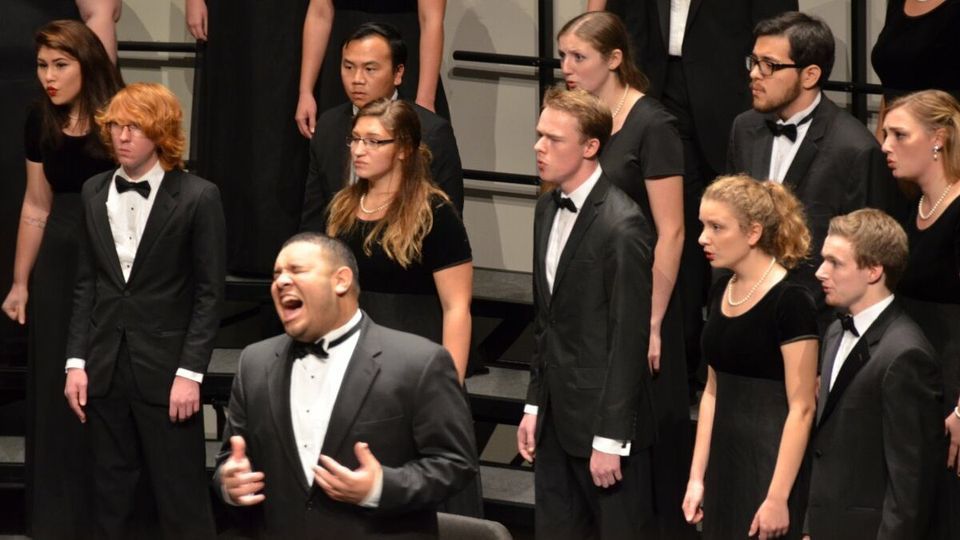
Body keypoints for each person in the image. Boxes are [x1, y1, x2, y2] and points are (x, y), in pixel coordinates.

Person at [586, 0, 798, 382]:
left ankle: (725, 356)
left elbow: (778, 20)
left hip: (730, 94)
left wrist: (758, 74)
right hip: (656, 82)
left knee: (736, 228)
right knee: (674, 226)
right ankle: (678, 360)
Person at [215, 232, 477, 539]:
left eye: (296, 270)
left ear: (341, 281)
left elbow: (456, 464)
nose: (282, 282)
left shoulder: (418, 362)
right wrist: (228, 484)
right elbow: (230, 459)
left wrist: (380, 487)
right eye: (277, 275)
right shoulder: (254, 363)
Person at [62, 82, 225, 540]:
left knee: (180, 498)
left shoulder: (198, 196)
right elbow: (86, 285)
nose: (122, 135)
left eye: (134, 126)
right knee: (111, 497)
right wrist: (76, 362)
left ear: (161, 132)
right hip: (105, 366)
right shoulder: (94, 190)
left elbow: (210, 293)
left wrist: (191, 373)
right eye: (115, 125)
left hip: (167, 370)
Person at [556, 11, 691, 538]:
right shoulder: (573, 116)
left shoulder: (652, 125)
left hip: (643, 299)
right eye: (563, 55)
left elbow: (673, 232)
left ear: (614, 60)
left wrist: (653, 321)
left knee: (645, 453)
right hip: (589, 302)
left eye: (578, 57)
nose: (566, 66)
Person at [517, 87, 656, 539]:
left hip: (601, 428)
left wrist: (611, 439)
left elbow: (628, 337)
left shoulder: (622, 224)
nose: (539, 147)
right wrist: (535, 404)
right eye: (539, 135)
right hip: (555, 418)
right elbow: (548, 321)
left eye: (553, 139)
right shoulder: (544, 208)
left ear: (591, 147)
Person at [0, 19, 121, 540]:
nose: (48, 77)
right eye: (42, 66)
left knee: (101, 380)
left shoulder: (119, 113)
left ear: (86, 64)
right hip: (58, 255)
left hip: (113, 253)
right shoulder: (38, 120)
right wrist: (20, 281)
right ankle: (55, 518)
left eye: (60, 65)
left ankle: (105, 516)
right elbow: (35, 204)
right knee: (54, 380)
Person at [726, 11, 904, 330]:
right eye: (753, 61)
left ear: (809, 75)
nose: (754, 74)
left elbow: (865, 260)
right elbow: (728, 220)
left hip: (814, 326)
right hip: (741, 314)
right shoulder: (744, 127)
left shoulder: (856, 150)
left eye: (769, 65)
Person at [682, 175, 818, 539]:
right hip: (725, 465)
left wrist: (777, 497)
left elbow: (802, 408)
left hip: (770, 464)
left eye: (716, 227)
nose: (702, 238)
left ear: (753, 232)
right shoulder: (720, 292)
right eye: (702, 226)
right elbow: (712, 391)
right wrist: (697, 477)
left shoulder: (791, 302)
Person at [804, 208, 942, 539]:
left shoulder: (906, 355)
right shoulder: (836, 332)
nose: (821, 272)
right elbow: (826, 448)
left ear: (874, 270)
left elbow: (910, 485)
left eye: (835, 263)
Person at [327, 98, 471, 382]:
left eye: (373, 141)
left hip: (412, 362)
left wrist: (448, 388)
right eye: (355, 139)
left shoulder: (434, 213)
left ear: (404, 148)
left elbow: (456, 308)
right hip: (351, 363)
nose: (359, 150)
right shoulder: (341, 208)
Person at [880, 89, 960, 539]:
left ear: (939, 139)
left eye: (898, 134)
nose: (885, 145)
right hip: (920, 383)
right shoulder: (915, 208)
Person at [186, 0, 312, 275]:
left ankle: (287, 248)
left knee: (283, 109)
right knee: (232, 107)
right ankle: (224, 246)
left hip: (292, 13)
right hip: (233, 14)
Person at [301, 21, 463, 231]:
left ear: (398, 73)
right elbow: (314, 217)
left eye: (369, 69)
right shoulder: (329, 126)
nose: (357, 79)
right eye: (348, 67)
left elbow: (449, 223)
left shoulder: (430, 132)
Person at [295, 0, 449, 137]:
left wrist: (425, 100)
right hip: (344, 58)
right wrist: (306, 91)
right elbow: (319, 14)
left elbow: (431, 21)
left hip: (399, 54)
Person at [871, 0, 960, 136]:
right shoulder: (896, 4)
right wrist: (883, 139)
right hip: (896, 137)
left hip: (942, 142)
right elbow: (891, 86)